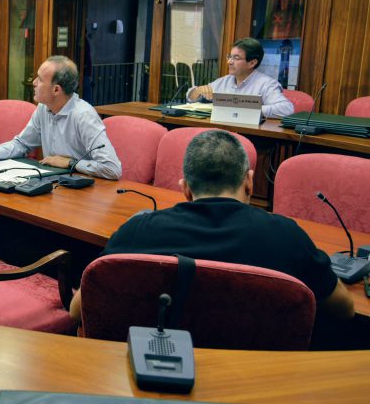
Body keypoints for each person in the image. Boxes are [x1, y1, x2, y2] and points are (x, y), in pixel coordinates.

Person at [69, 130, 356, 346]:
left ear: (185, 189)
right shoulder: (288, 237)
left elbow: (77, 310)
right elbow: (344, 310)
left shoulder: (137, 231)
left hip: (151, 382)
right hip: (260, 386)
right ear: (249, 181)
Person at [0, 56, 122, 180]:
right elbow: (23, 144)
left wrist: (71, 163)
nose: (34, 83)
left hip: (82, 191)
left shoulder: (84, 116)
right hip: (53, 183)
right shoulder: (44, 108)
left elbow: (112, 169)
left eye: (40, 79)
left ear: (56, 89)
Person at [186, 38, 294, 119]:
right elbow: (192, 97)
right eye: (229, 57)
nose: (229, 62)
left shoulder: (266, 84)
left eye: (236, 58)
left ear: (252, 63)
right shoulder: (224, 81)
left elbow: (287, 109)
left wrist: (249, 109)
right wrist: (196, 91)